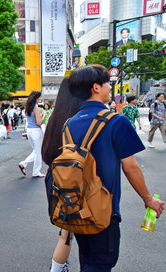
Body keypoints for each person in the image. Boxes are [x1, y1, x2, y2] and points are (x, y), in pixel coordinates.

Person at [67, 64, 164, 271]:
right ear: (96, 87)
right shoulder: (116, 121)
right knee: (102, 263)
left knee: (87, 260)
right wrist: (148, 199)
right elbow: (131, 167)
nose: (109, 88)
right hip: (104, 211)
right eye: (106, 84)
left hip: (75, 208)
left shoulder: (69, 124)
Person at [41, 78, 83, 272]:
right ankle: (57, 268)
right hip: (71, 181)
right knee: (68, 233)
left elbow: (46, 152)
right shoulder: (77, 120)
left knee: (66, 231)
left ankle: (59, 267)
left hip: (55, 178)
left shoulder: (55, 117)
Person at [18, 91, 45, 178]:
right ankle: (36, 172)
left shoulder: (28, 108)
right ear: (37, 99)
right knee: (38, 153)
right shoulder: (36, 109)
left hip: (30, 130)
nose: (40, 99)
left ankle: (23, 164)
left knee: (36, 151)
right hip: (36, 131)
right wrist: (44, 116)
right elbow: (39, 122)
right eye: (39, 98)